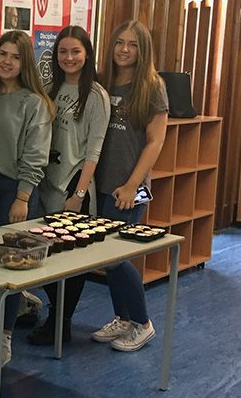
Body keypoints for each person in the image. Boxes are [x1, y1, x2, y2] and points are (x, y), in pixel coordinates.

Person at [0, 30, 54, 370]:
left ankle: (4, 338)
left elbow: (36, 154)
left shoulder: (33, 102)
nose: (7, 61)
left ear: (26, 63)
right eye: (2, 54)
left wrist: (22, 197)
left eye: (15, 57)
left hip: (14, 189)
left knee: (13, 263)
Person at [26, 25, 110, 346]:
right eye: (63, 51)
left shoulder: (96, 96)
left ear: (87, 54)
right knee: (45, 254)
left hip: (73, 187)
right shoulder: (50, 87)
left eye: (76, 51)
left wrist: (78, 195)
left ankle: (61, 321)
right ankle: (51, 311)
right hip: (46, 182)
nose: (69, 58)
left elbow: (94, 151)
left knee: (70, 260)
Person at [90, 20, 168, 352]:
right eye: (119, 42)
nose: (124, 49)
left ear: (143, 49)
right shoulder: (104, 82)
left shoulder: (152, 86)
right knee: (108, 255)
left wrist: (131, 184)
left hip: (130, 188)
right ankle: (122, 317)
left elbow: (155, 142)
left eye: (132, 44)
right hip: (102, 184)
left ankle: (142, 322)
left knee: (118, 256)